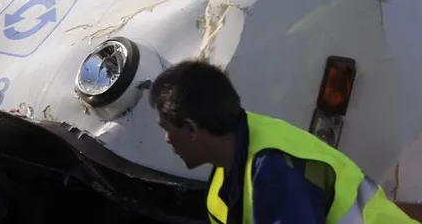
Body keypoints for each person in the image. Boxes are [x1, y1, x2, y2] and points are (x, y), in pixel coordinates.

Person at [148, 59, 420, 224]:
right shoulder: (235, 151)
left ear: (192, 129)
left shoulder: (276, 170)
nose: (167, 140)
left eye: (168, 130)